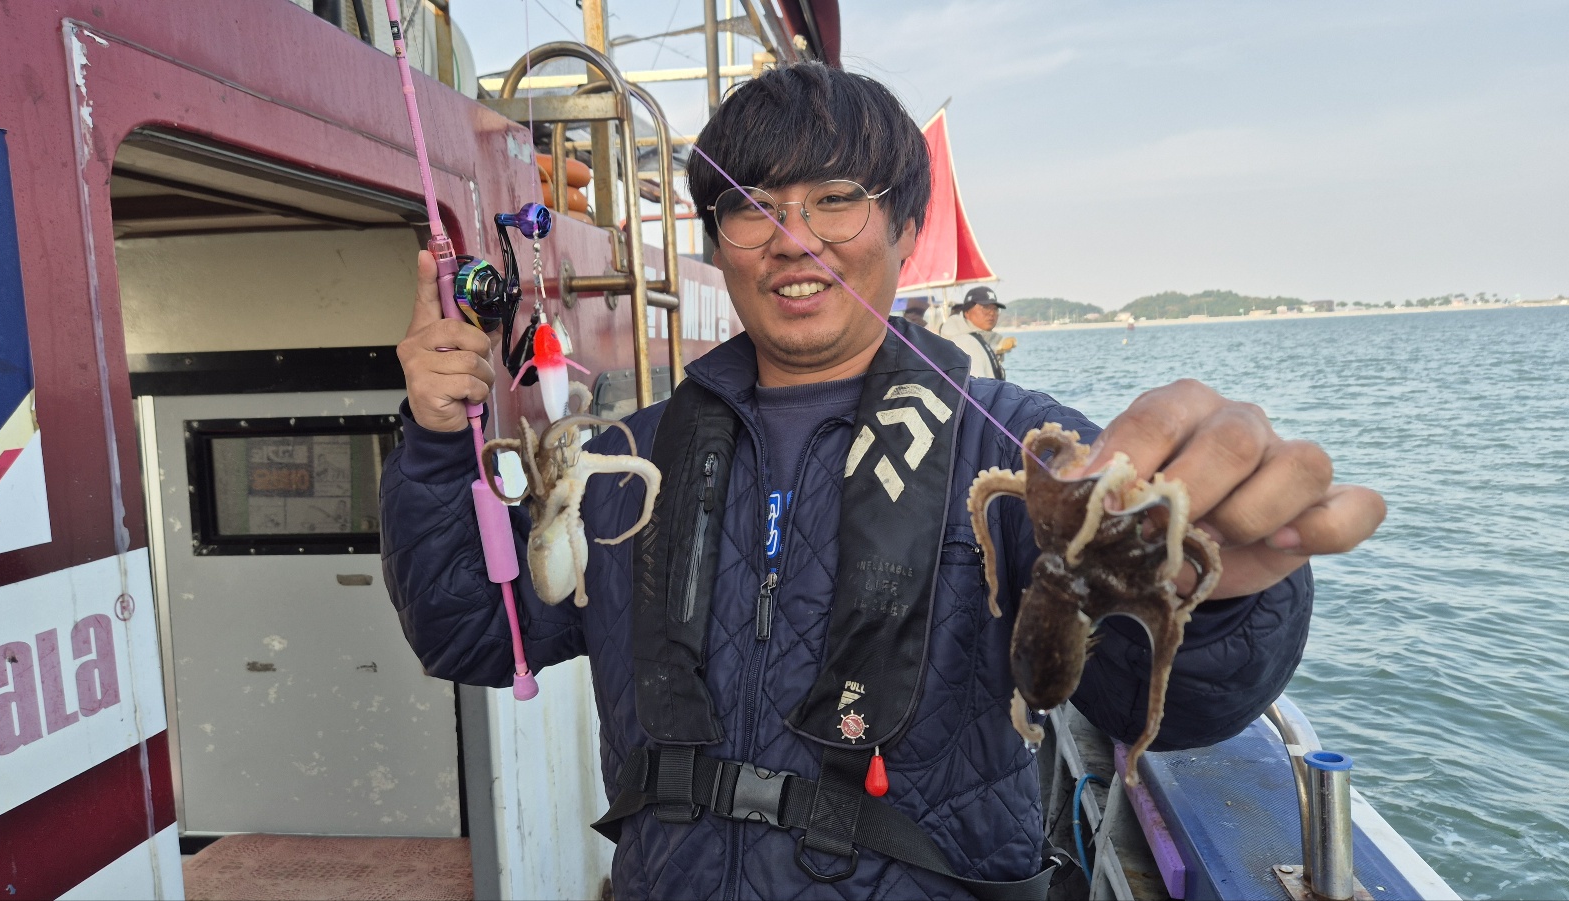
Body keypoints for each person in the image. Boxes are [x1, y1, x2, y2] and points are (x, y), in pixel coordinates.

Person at [383, 61, 1385, 899]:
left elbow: (1165, 703)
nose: (794, 237)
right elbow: (468, 631)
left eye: (837, 199)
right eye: (751, 209)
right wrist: (431, 437)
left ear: (905, 226)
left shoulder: (1024, 451)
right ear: (715, 245)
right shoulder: (627, 460)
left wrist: (1219, 591)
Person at [939, 285, 1014, 379]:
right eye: (985, 307)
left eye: (995, 309)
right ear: (967, 312)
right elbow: (977, 385)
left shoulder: (979, 339)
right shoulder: (966, 342)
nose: (992, 313)